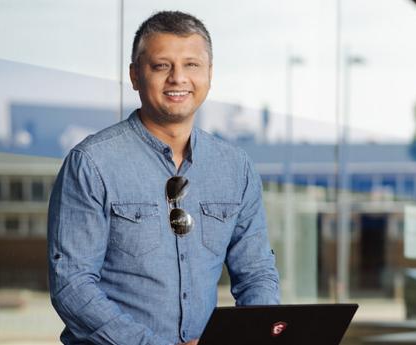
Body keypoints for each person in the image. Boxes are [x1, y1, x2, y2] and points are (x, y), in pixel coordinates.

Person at [48, 10, 280, 345]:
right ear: (135, 75)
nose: (178, 78)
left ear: (209, 75)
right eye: (161, 66)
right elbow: (71, 285)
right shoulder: (92, 164)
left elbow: (257, 274)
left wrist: (256, 336)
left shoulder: (235, 167)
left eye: (191, 65)